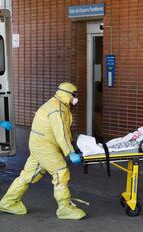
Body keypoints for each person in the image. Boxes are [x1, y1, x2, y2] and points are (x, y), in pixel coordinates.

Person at [0, 82, 86, 220]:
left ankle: (8, 202)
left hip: (39, 144)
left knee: (28, 175)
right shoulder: (56, 109)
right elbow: (61, 133)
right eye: (73, 95)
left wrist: (73, 145)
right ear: (66, 94)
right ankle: (64, 208)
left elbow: (64, 132)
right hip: (45, 146)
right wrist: (70, 152)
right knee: (60, 171)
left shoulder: (60, 105)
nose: (75, 99)